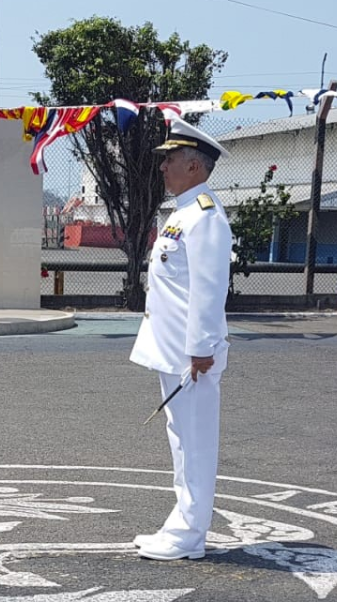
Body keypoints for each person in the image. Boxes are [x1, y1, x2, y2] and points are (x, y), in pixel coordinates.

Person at [130, 119, 232, 561]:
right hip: (175, 351)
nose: (162, 167)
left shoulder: (206, 216)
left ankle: (190, 534)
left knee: (196, 444)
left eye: (170, 159)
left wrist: (202, 350)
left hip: (193, 357)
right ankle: (181, 523)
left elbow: (209, 288)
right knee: (182, 441)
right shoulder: (183, 213)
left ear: (194, 166)